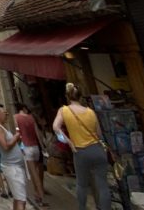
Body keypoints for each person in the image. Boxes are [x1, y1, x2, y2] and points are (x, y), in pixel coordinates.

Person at [53, 82, 111, 210]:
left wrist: (67, 141)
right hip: (97, 149)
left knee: (82, 185)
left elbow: (56, 127)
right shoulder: (90, 112)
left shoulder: (64, 110)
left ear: (67, 96)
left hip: (80, 151)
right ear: (80, 97)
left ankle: (82, 207)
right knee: (103, 185)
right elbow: (99, 134)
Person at [0, 103, 29, 210]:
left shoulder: (2, 127)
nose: (6, 115)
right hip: (12, 167)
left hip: (16, 166)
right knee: (21, 199)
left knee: (18, 197)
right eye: (4, 113)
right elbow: (5, 146)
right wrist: (16, 136)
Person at [15, 103, 47, 206]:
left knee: (33, 174)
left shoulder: (16, 118)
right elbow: (37, 133)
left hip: (27, 148)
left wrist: (19, 147)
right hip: (36, 147)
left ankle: (41, 197)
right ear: (24, 108)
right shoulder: (31, 117)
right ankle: (38, 193)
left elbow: (18, 133)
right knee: (39, 172)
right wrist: (42, 146)